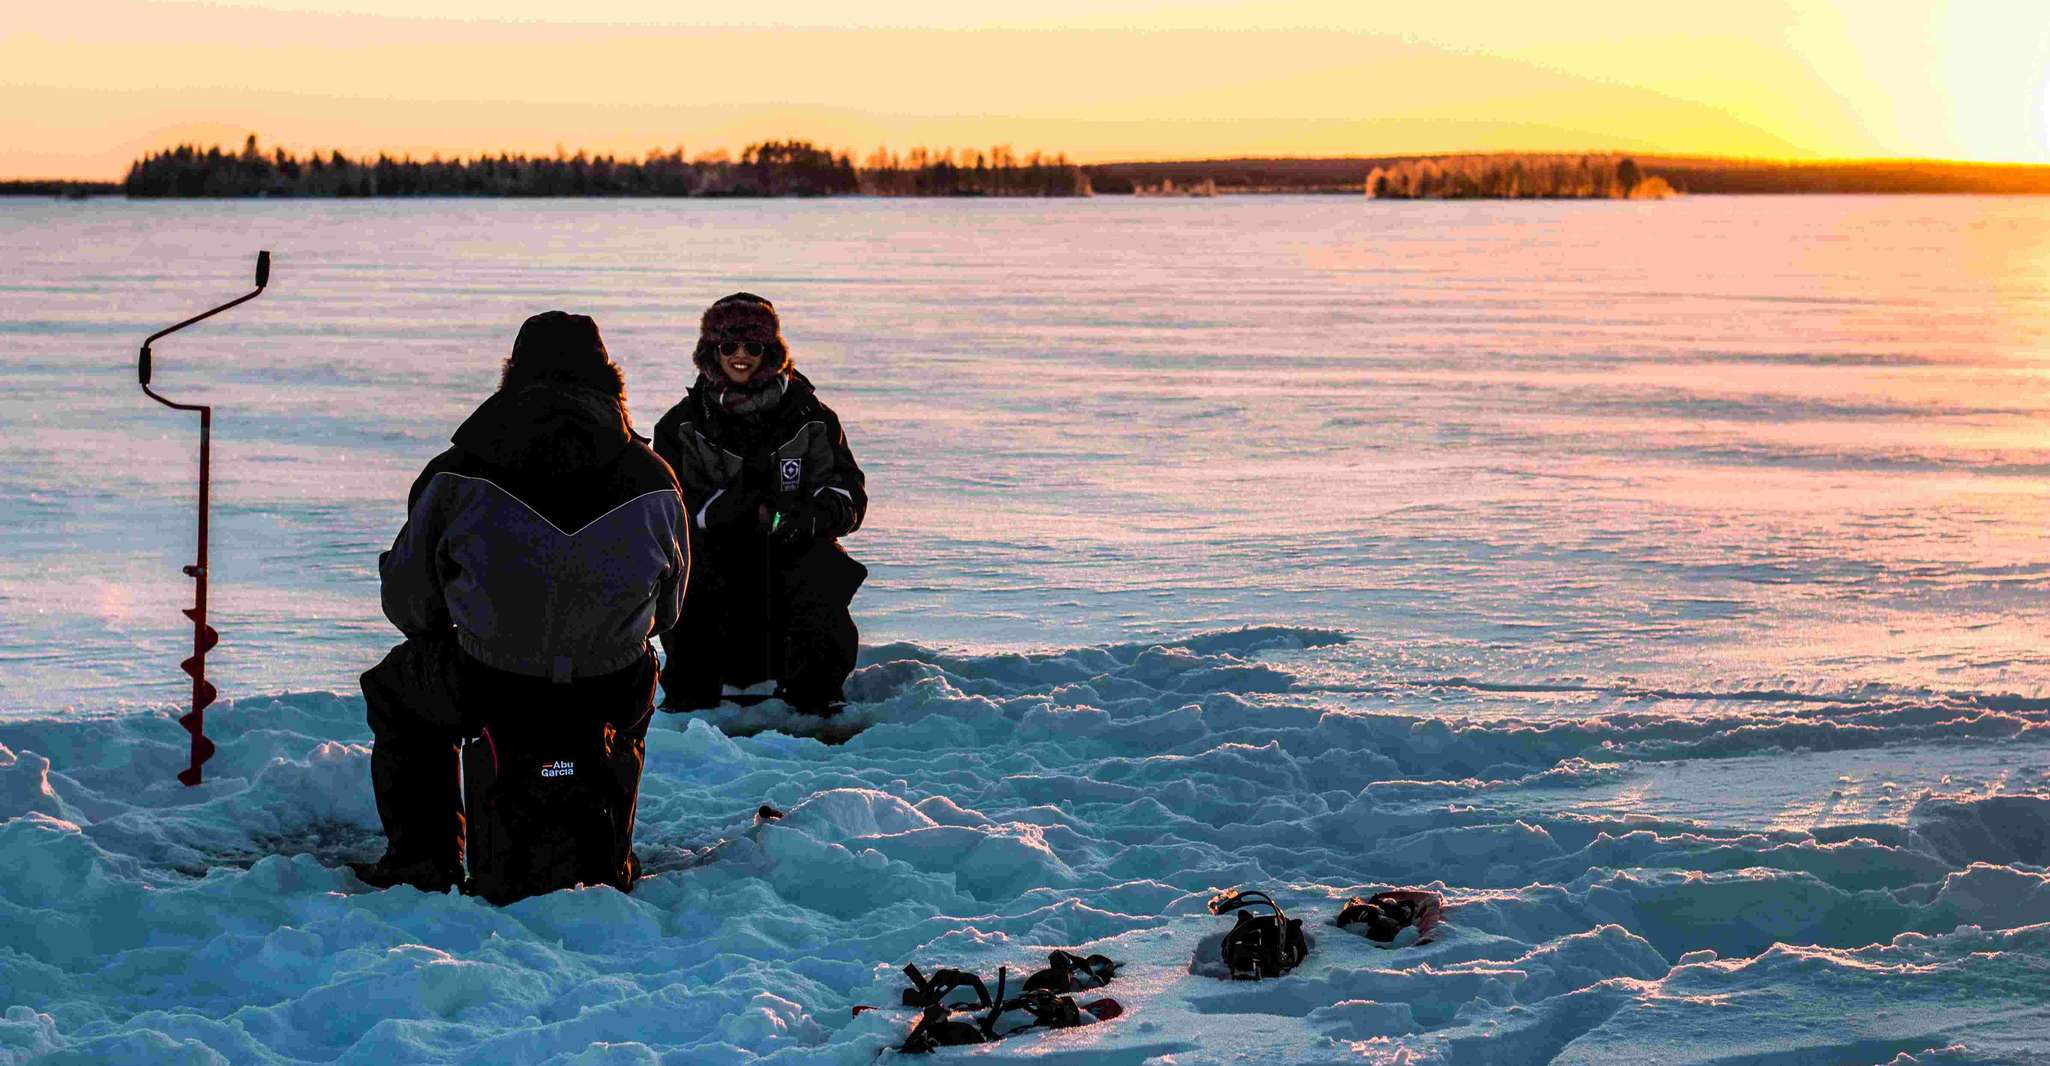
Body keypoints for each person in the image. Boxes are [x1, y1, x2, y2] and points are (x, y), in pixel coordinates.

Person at [352, 311, 687, 894]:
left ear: (513, 374)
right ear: (608, 377)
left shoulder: (458, 471)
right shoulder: (654, 477)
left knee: (397, 691)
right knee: (637, 690)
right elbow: (672, 608)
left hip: (489, 678)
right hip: (608, 682)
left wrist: (451, 627)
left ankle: (422, 862)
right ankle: (613, 846)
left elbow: (410, 602)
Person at [652, 293, 867, 715]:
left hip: (792, 543)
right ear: (710, 352)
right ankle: (692, 697)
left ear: (771, 351)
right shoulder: (680, 424)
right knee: (686, 573)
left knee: (824, 569)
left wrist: (808, 516)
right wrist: (733, 509)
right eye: (728, 346)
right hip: (713, 551)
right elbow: (670, 503)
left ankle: (816, 694)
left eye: (753, 346)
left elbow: (848, 492)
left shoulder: (812, 418)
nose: (740, 356)